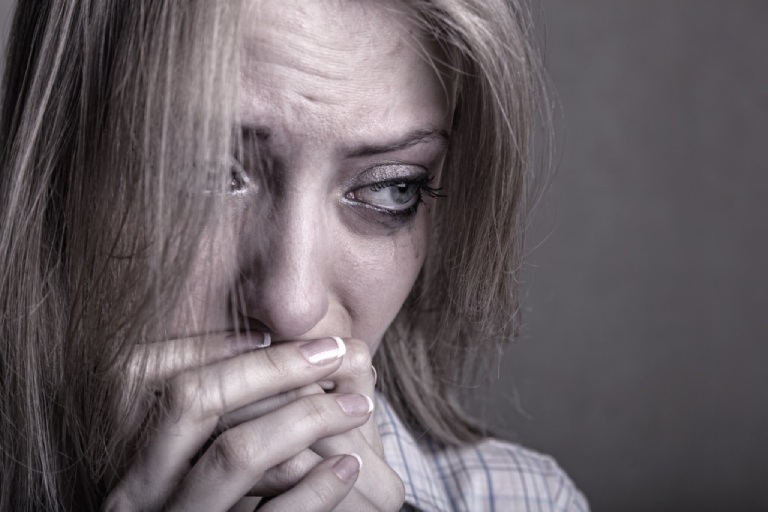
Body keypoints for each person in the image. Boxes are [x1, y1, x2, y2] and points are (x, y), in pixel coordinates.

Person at [0, 0, 588, 510]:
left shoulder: (526, 499)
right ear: (53, 175)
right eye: (202, 173)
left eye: (391, 187)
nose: (292, 308)